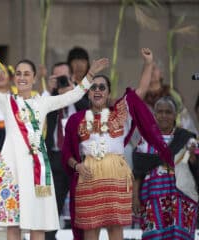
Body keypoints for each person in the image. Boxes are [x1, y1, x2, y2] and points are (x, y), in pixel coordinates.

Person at [0, 43, 109, 240]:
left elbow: (75, 95)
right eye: (18, 73)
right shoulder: (6, 101)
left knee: (38, 226)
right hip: (12, 169)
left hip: (37, 172)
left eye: (27, 74)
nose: (22, 77)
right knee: (13, 226)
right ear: (14, 78)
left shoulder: (43, 101)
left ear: (35, 78)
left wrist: (91, 73)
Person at [62, 48, 173, 240]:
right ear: (88, 94)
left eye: (102, 87)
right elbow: (67, 154)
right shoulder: (76, 120)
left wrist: (148, 63)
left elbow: (140, 91)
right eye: (93, 88)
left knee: (115, 228)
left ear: (108, 93)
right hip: (89, 176)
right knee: (90, 228)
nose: (97, 90)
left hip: (117, 176)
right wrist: (77, 165)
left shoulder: (121, 113)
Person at [132, 97, 199, 240]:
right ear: (154, 115)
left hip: (182, 200)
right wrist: (135, 197)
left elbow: (196, 166)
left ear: (175, 115)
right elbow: (138, 172)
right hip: (152, 200)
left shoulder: (187, 138)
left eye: (168, 112)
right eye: (160, 112)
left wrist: (193, 159)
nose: (164, 115)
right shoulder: (145, 140)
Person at [44, 75, 75, 240]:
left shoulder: (80, 103)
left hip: (78, 160)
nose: (64, 86)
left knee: (80, 207)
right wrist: (56, 93)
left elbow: (88, 106)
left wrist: (74, 91)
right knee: (52, 207)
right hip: (56, 158)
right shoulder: (52, 105)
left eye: (67, 81)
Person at [66, 47, 91, 111]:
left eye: (83, 61)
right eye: (76, 62)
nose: (79, 65)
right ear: (69, 64)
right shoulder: (65, 83)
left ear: (88, 64)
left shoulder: (92, 85)